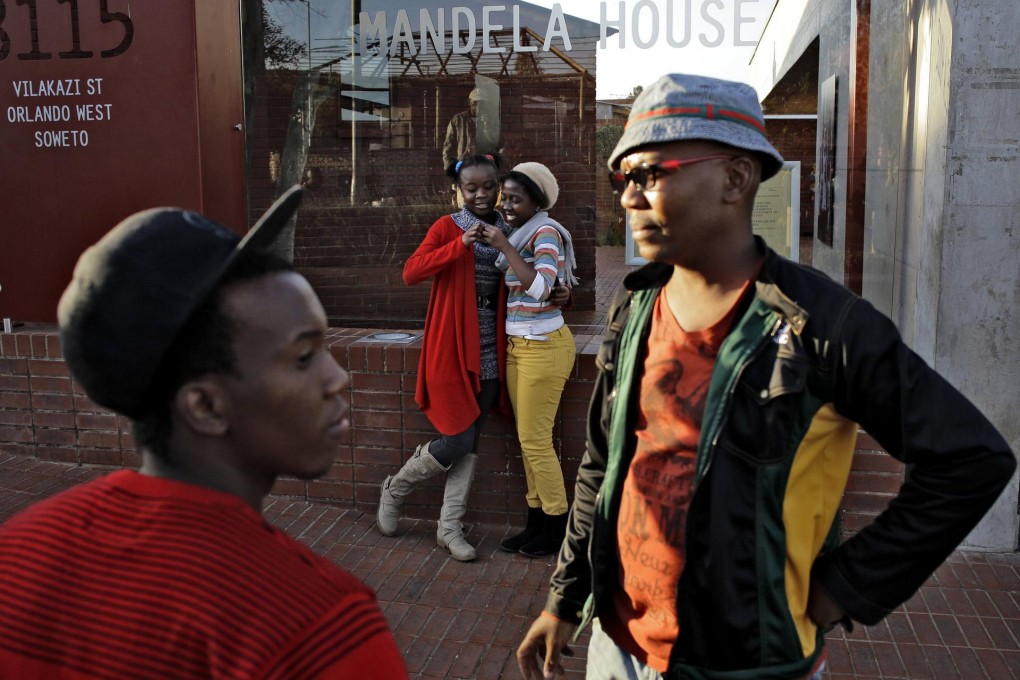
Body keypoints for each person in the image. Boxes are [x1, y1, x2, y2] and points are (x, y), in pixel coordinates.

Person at [516, 74, 1016, 680]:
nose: (629, 197)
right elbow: (602, 463)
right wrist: (566, 599)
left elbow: (970, 460)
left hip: (750, 664)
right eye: (624, 178)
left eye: (652, 174)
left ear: (735, 177)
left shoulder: (824, 325)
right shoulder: (635, 307)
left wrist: (846, 587)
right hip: (617, 647)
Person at [0, 187, 407, 678]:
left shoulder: (17, 556)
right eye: (303, 357)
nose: (337, 377)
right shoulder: (317, 630)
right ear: (206, 406)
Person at [377, 154, 511, 562]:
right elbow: (411, 272)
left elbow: (536, 274)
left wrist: (564, 294)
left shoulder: (510, 228)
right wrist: (459, 245)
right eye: (471, 188)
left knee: (470, 442)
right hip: (453, 347)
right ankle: (396, 488)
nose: (481, 194)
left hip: (494, 347)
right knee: (456, 438)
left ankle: (448, 528)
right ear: (459, 190)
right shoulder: (447, 226)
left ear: (498, 185)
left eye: (488, 186)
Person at [481, 162, 580, 559]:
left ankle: (557, 525)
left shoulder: (544, 232)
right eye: (505, 197)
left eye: (516, 199)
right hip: (520, 347)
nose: (506, 205)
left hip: (545, 346)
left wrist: (504, 246)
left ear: (537, 201)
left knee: (536, 442)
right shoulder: (519, 233)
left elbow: (541, 288)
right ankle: (535, 521)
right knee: (528, 442)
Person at [442, 88, 502, 173]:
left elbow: (498, 144)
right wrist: (449, 167)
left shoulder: (492, 120)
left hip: (484, 166)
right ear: (469, 102)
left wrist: (488, 127)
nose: (478, 107)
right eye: (475, 103)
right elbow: (448, 145)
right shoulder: (458, 119)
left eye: (482, 103)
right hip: (463, 166)